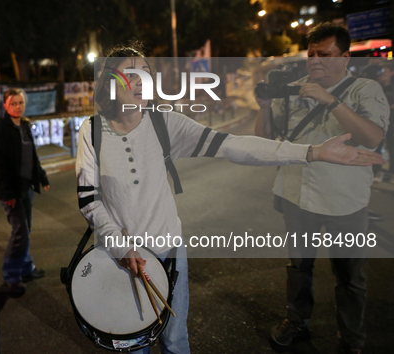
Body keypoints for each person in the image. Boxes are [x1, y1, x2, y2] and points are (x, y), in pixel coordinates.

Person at [76, 43, 385, 354]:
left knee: (175, 340)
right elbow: (89, 200)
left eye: (147, 72)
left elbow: (235, 146)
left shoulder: (164, 123)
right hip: (120, 257)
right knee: (133, 346)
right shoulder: (91, 132)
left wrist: (313, 152)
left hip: (168, 250)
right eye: (132, 73)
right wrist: (119, 244)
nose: (142, 80)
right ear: (110, 82)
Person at [255, 23, 390, 354]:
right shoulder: (294, 89)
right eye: (311, 54)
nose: (315, 61)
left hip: (347, 200)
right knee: (300, 267)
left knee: (349, 275)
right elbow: (263, 141)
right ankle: (297, 321)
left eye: (324, 55)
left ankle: (351, 340)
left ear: (344, 58)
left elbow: (373, 137)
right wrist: (264, 107)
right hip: (297, 194)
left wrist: (330, 100)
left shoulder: (365, 89)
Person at [0, 88, 49, 296]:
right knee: (20, 233)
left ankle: (25, 268)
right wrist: (8, 193)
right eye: (13, 103)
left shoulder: (24, 125)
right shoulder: (0, 128)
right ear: (5, 106)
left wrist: (41, 177)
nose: (18, 106)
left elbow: (32, 155)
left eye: (20, 103)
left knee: (26, 230)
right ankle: (12, 276)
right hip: (11, 191)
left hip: (26, 188)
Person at [377, 60, 394, 178]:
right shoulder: (379, 86)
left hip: (392, 119)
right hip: (381, 118)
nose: (383, 73)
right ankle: (377, 170)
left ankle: (392, 172)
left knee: (391, 144)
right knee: (377, 145)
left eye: (385, 71)